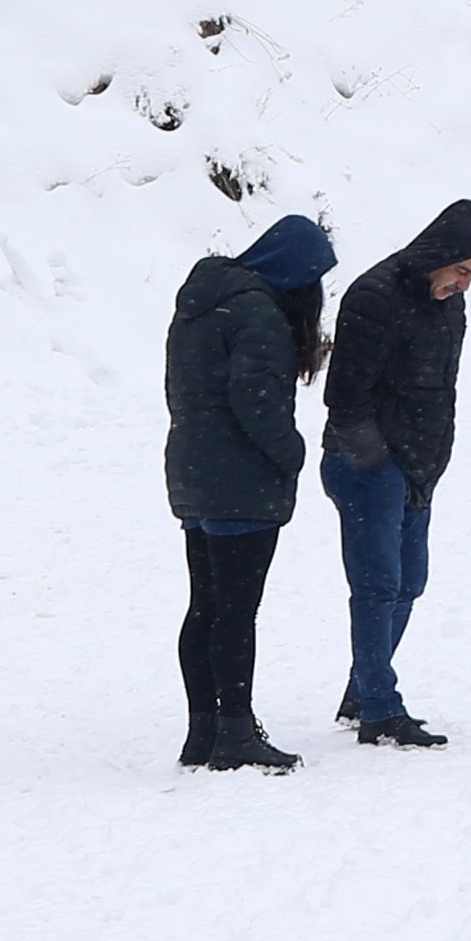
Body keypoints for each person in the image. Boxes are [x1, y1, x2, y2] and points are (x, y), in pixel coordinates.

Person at [319, 201, 471, 747]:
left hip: (419, 464)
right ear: (438, 256)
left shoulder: (447, 305)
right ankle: (378, 709)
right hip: (368, 464)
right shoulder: (375, 297)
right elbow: (344, 397)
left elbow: (439, 388)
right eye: (462, 271)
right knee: (377, 586)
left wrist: (428, 461)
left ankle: (361, 688)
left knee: (409, 582)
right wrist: (377, 460)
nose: (465, 285)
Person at [163, 214, 337, 773]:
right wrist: (291, 453)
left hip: (194, 471)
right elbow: (256, 401)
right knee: (238, 610)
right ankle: (236, 733)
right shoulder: (259, 313)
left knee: (206, 606)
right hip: (241, 482)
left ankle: (202, 733)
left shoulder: (200, 304)